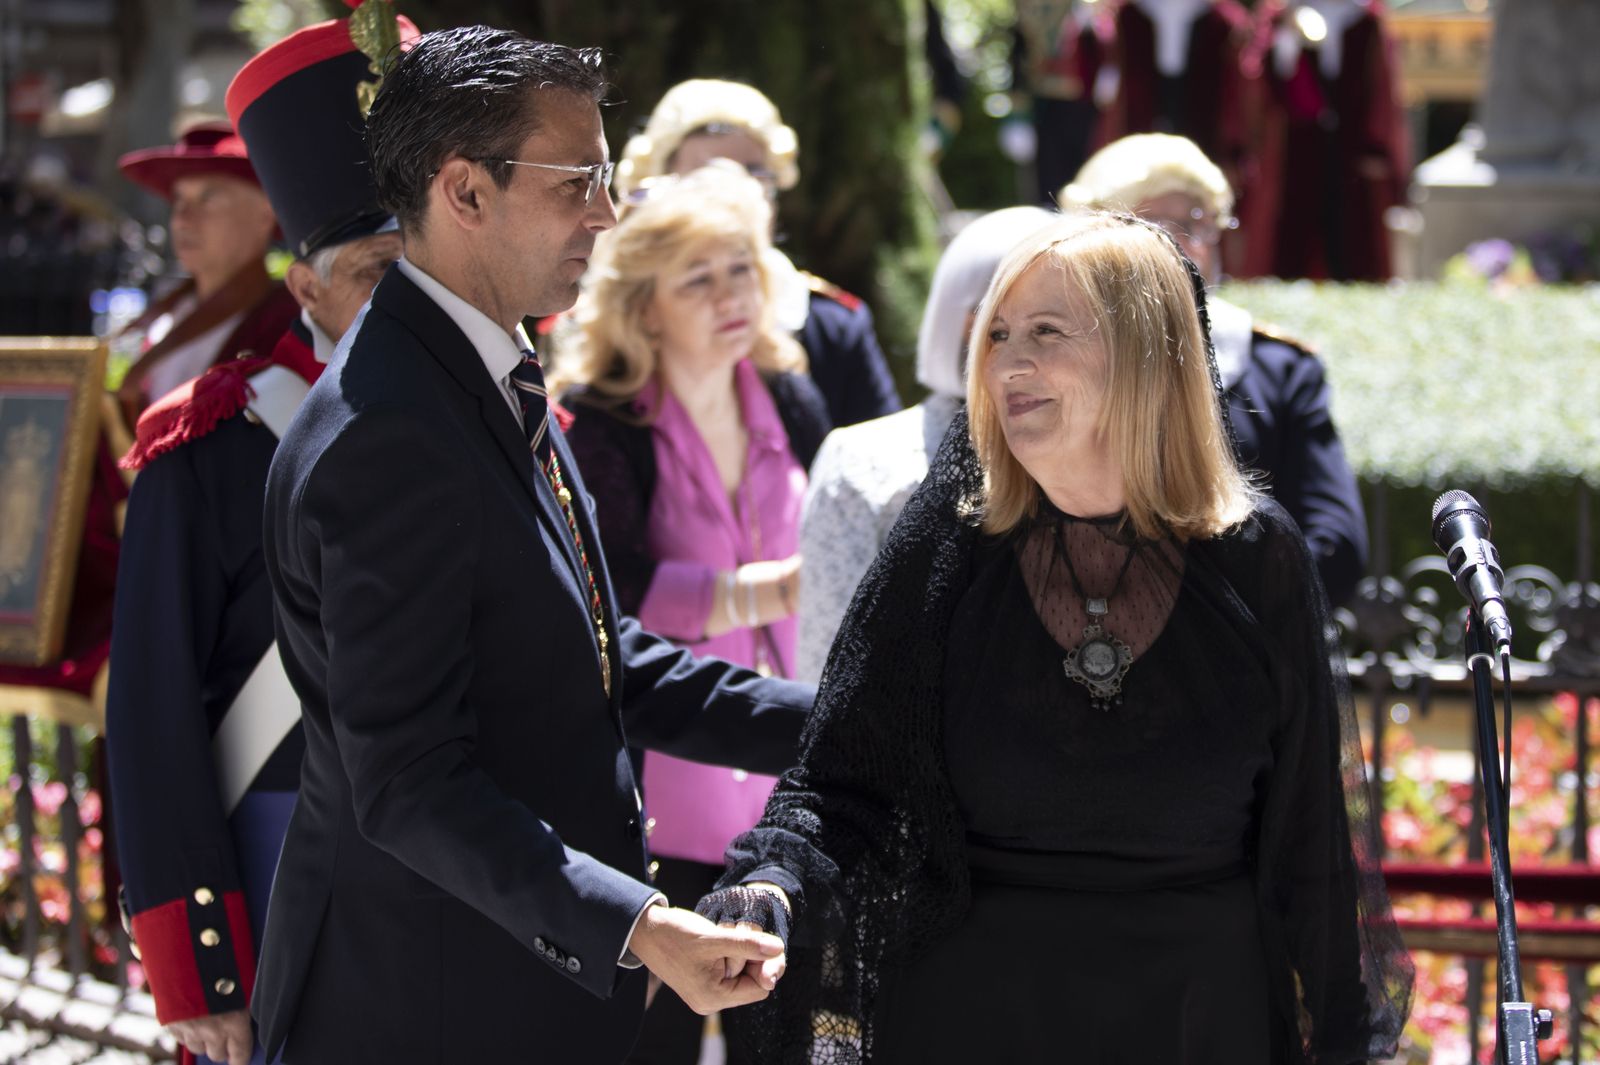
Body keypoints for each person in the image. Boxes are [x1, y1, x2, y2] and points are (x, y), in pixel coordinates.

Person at [697, 212, 1413, 1063]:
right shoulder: (948, 546)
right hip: (977, 1023)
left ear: (1144, 352)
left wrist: (1345, 1041)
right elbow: (841, 779)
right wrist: (772, 882)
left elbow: (1310, 843)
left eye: (1046, 331)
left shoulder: (1259, 557)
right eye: (998, 334)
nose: (1007, 362)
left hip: (1197, 1021)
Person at [252, 28, 811, 1064]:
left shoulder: (476, 366)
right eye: (577, 182)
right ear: (465, 191)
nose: (606, 212)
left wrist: (836, 722)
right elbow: (410, 782)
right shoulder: (391, 433)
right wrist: (640, 926)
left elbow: (591, 654)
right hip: (430, 1009)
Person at [106, 13, 413, 1065]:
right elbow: (151, 712)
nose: (412, 308)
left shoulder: (514, 423)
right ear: (307, 287)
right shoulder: (208, 447)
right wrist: (201, 966)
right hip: (283, 856)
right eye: (379, 273)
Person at [555, 164, 826, 1065]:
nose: (730, 295)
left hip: (786, 792)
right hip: (661, 799)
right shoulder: (600, 420)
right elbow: (607, 592)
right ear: (643, 306)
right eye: (697, 278)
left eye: (740, 268)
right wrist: (762, 589)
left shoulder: (789, 393)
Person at [1062, 132, 1367, 605]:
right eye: (1156, 224)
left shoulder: (1277, 367)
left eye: (1198, 224)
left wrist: (1225, 614)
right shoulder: (1056, 362)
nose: (1185, 244)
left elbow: (1338, 545)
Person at [797, 206, 1057, 682]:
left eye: (1052, 326)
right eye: (1001, 324)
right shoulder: (863, 463)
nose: (1024, 355)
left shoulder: (1114, 468)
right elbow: (825, 672)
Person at [614, 78, 900, 428]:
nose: (738, 196)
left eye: (755, 176)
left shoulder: (832, 326)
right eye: (709, 178)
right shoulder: (610, 325)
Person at [114, 123, 298, 429]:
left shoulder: (288, 325)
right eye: (179, 200)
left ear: (266, 214)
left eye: (208, 198)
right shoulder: (169, 316)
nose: (183, 219)